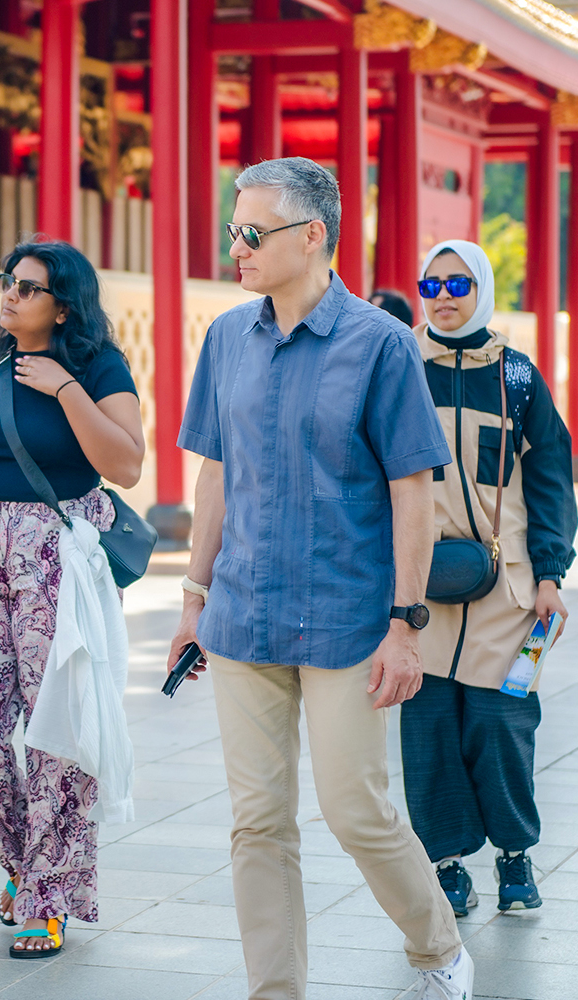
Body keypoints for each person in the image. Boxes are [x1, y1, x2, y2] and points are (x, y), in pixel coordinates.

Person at [168, 157, 473, 1000]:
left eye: (251, 232)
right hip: (241, 617)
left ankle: (437, 947)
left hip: (347, 619)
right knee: (257, 823)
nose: (236, 247)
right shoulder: (226, 339)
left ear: (311, 236)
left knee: (356, 810)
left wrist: (406, 623)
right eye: (233, 230)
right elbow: (215, 474)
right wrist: (193, 600)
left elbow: (413, 491)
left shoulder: (380, 345)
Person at [0, 240, 145, 958]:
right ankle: (30, 866)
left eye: (28, 287)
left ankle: (46, 899)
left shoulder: (99, 368)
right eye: (6, 282)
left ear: (64, 305)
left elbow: (127, 465)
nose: (10, 295)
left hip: (56, 559)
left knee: (56, 735)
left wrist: (65, 388)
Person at [398, 239, 577, 918]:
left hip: (508, 590)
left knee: (503, 726)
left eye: (458, 284)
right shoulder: (400, 366)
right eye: (431, 285)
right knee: (429, 731)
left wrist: (551, 573)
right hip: (419, 585)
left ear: (482, 289)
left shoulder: (517, 376)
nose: (443, 297)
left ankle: (515, 855)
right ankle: (446, 866)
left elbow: (552, 479)